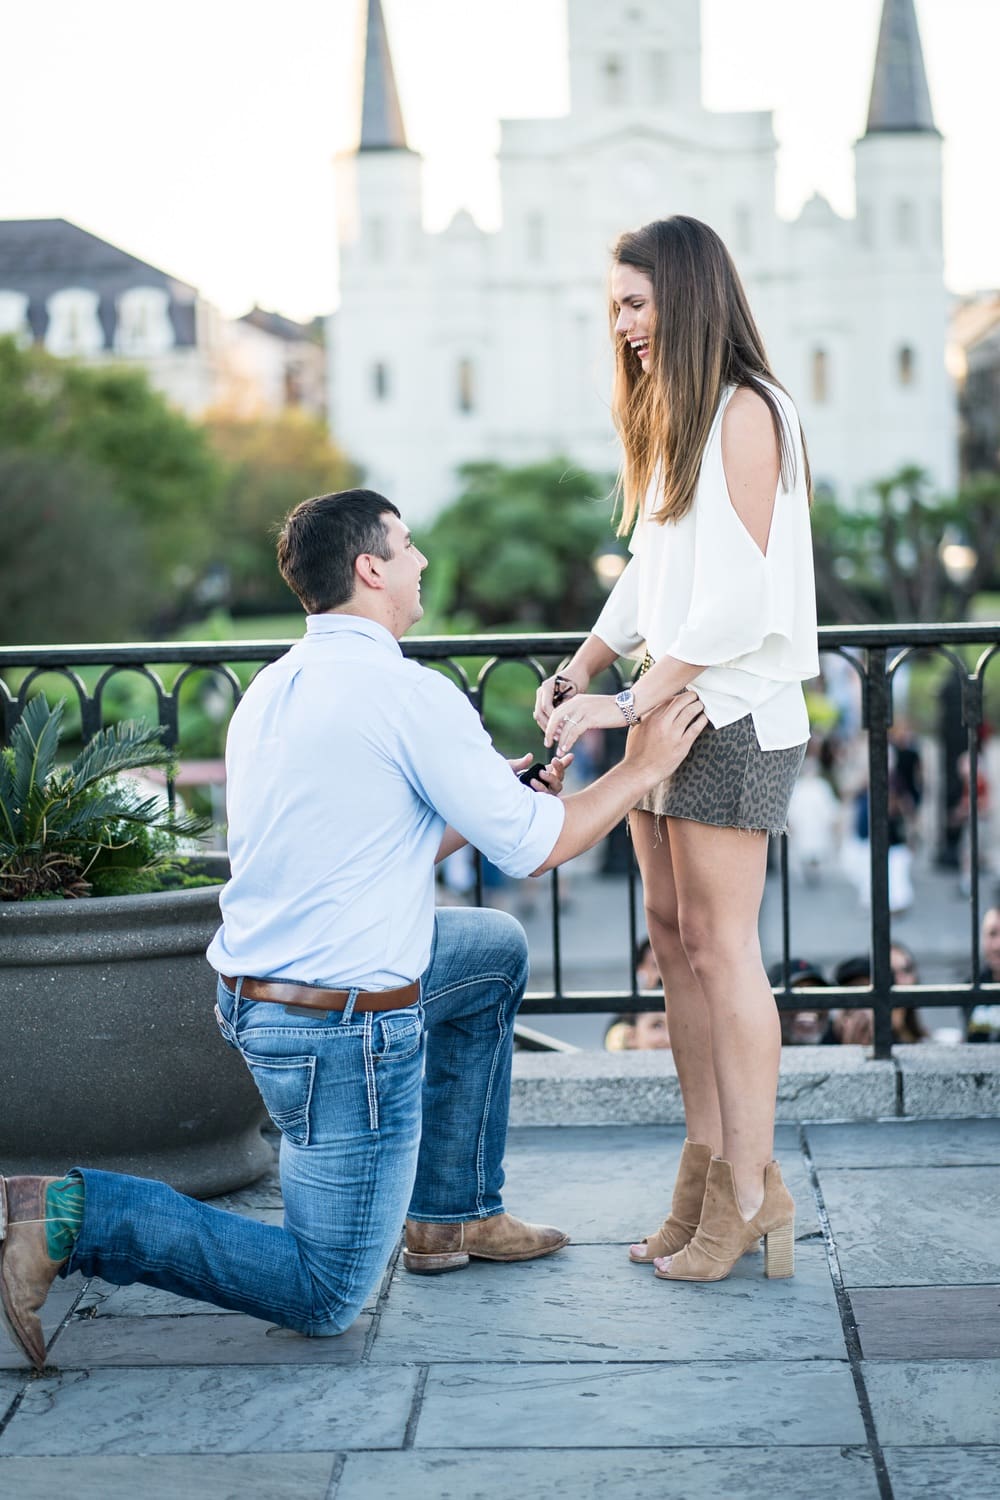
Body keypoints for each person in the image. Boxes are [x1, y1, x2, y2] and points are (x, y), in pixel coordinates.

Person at [0, 488, 708, 1372]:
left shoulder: (273, 687)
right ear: (371, 569)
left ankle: (452, 1215)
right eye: (406, 548)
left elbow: (374, 829)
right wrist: (642, 768)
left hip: (260, 1001)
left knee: (491, 953)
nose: (419, 563)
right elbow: (540, 850)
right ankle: (64, 1216)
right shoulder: (407, 695)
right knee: (324, 1292)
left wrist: (501, 794)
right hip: (341, 1035)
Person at [534, 216, 818, 1284]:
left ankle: (748, 1191)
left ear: (688, 299)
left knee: (722, 946)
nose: (621, 325)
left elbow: (740, 599)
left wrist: (628, 702)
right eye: (615, 305)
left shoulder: (749, 410)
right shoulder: (672, 413)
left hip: (729, 709)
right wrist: (581, 669)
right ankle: (709, 1172)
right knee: (673, 938)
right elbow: (649, 574)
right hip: (671, 702)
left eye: (636, 304)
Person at [830, 949, 928, 1045]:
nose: (900, 980)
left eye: (905, 970)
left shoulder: (901, 1036)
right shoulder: (828, 1036)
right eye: (854, 992)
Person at [603, 937, 671, 1051]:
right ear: (640, 970)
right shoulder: (627, 1013)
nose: (663, 975)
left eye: (672, 967)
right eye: (656, 966)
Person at [765, 956, 833, 1045]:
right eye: (795, 997)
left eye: (816, 995)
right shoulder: (755, 1050)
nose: (808, 1004)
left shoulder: (842, 1044)